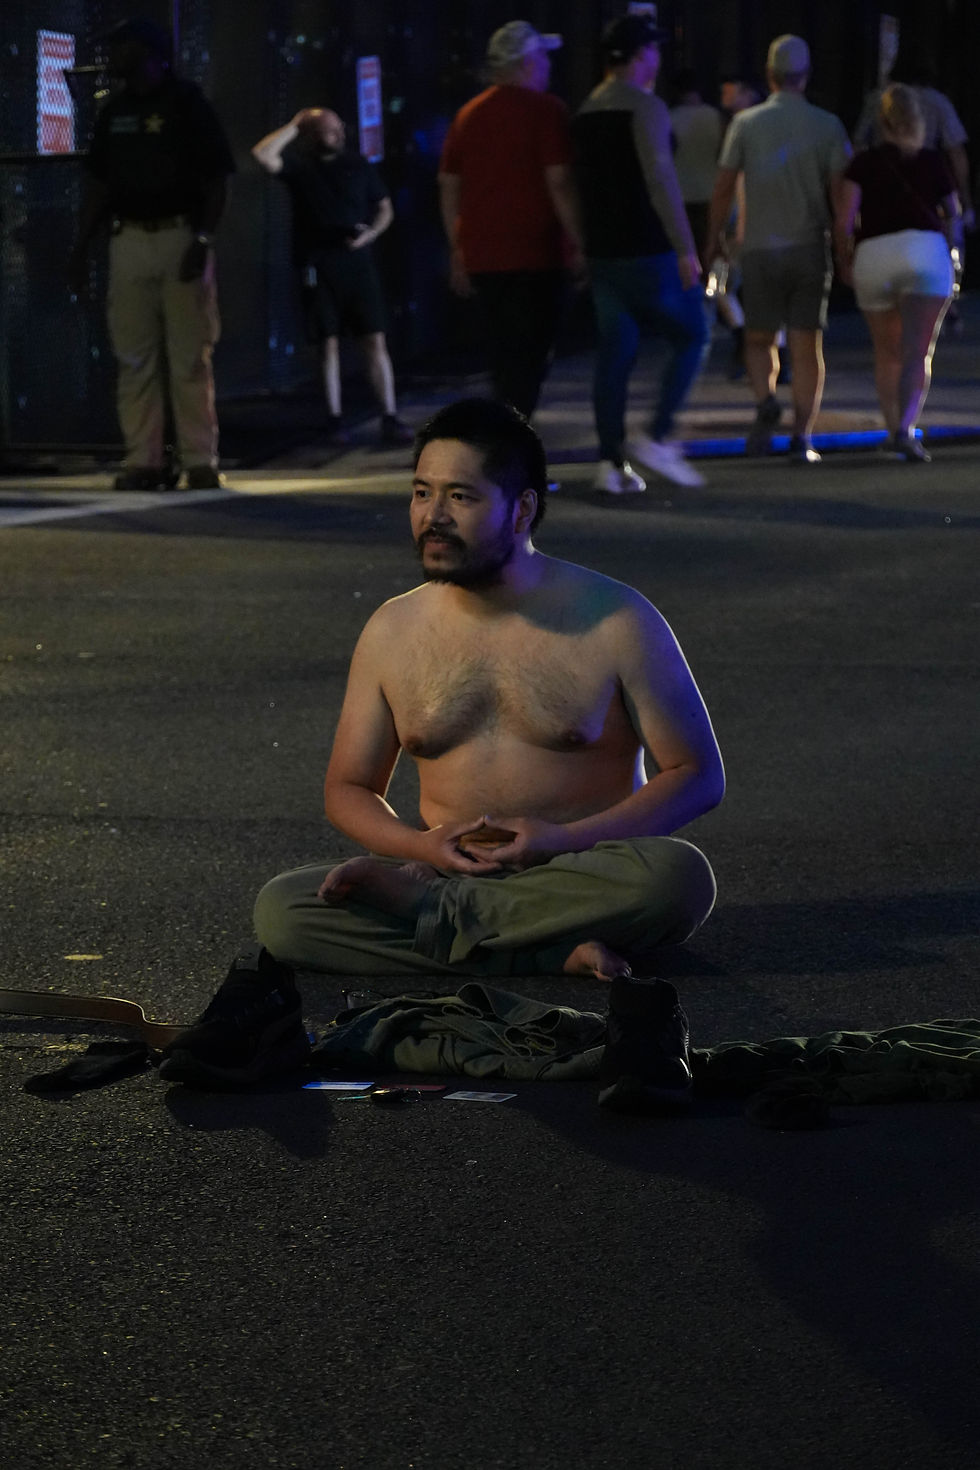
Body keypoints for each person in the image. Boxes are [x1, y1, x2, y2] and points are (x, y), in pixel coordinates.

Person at [158, 397, 725, 1111]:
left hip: (581, 871)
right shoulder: (392, 630)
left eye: (461, 496)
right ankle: (548, 948)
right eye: (421, 492)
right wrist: (418, 847)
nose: (433, 516)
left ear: (521, 510)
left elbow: (697, 775)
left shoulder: (615, 618)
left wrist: (564, 840)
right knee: (284, 911)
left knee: (678, 878)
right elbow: (349, 787)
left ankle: (448, 920)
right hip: (452, 873)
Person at [67, 18, 234, 491]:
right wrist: (81, 246)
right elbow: (99, 185)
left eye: (123, 46)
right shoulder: (113, 111)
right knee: (133, 356)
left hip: (180, 234)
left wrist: (203, 239)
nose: (114, 55)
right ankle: (143, 460)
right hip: (129, 239)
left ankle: (199, 459)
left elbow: (217, 179)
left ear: (149, 52)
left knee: (189, 355)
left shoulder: (187, 104)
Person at [572, 15, 709, 495]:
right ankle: (658, 435)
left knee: (615, 355)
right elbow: (660, 178)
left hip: (603, 251)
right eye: (654, 50)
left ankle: (610, 461)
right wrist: (685, 247)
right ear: (641, 55)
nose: (658, 58)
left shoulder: (586, 111)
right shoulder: (646, 107)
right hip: (648, 247)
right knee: (693, 334)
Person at [705, 34, 852, 464]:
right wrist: (844, 247)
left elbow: (723, 187)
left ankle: (765, 400)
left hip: (758, 248)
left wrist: (712, 239)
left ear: (769, 75)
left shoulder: (745, 124)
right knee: (806, 346)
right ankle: (802, 436)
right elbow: (842, 192)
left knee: (758, 337)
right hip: (809, 247)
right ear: (805, 76)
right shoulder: (828, 125)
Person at [437, 21, 585, 419]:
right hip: (537, 254)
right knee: (533, 350)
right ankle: (514, 433)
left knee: (503, 353)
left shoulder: (468, 115)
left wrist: (458, 247)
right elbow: (559, 181)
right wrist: (579, 241)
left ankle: (508, 426)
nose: (548, 66)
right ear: (527, 63)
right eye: (543, 58)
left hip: (483, 256)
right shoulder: (547, 110)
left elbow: (449, 184)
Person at [251, 107, 412, 448]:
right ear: (311, 134)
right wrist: (294, 124)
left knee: (374, 339)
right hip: (318, 264)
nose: (336, 134)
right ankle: (334, 419)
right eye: (327, 129)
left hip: (358, 264)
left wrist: (369, 234)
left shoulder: (358, 165)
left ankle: (389, 415)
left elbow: (384, 207)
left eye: (338, 128)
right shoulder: (300, 167)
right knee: (328, 343)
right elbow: (263, 155)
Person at [834, 85, 961, 462]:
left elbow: (844, 221)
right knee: (917, 352)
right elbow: (952, 212)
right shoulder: (932, 161)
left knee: (886, 352)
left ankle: (892, 430)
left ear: (881, 123)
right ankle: (906, 429)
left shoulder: (862, 164)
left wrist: (844, 260)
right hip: (925, 252)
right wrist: (954, 255)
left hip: (875, 255)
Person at [670, 69, 745, 379]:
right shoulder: (716, 119)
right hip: (715, 201)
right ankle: (729, 330)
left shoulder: (669, 118)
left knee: (703, 275)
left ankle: (712, 332)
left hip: (682, 201)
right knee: (718, 270)